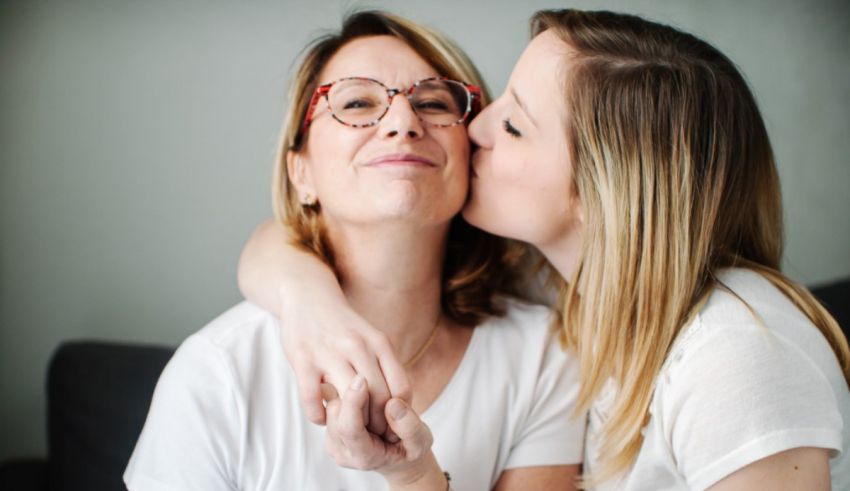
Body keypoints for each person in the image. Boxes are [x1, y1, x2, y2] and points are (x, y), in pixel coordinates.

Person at [238, 8, 850, 490]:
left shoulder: (736, 355)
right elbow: (274, 244)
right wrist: (311, 307)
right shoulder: (568, 287)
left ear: (598, 192)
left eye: (512, 125)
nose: (474, 127)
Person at [123, 10, 585, 491]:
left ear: (472, 154)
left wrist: (414, 478)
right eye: (359, 102)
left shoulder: (542, 358)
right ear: (300, 173)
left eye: (431, 103)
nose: (403, 121)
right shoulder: (217, 372)